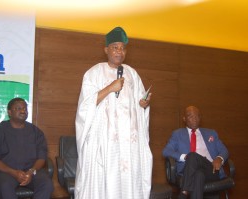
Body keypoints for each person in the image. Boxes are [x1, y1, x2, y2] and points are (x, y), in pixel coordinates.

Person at [75, 26, 153, 199]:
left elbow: (139, 105)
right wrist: (110, 88)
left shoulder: (132, 74)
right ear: (106, 50)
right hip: (104, 143)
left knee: (127, 185)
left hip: (128, 144)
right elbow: (84, 107)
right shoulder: (93, 73)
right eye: (115, 47)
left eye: (123, 48)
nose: (120, 51)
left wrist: (143, 104)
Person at [0, 97, 54, 199]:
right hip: (6, 172)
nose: (23, 111)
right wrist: (13, 172)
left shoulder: (36, 132)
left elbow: (42, 158)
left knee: (46, 184)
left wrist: (31, 172)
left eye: (25, 109)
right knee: (4, 186)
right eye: (18, 108)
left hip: (30, 171)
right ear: (9, 112)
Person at [163, 105, 229, 199]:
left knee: (193, 156)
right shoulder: (177, 134)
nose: (194, 119)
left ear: (200, 118)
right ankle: (185, 192)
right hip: (189, 171)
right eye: (190, 116)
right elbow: (166, 151)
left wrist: (220, 158)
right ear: (184, 119)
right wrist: (184, 157)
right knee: (198, 174)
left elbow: (224, 150)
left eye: (197, 116)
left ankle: (184, 192)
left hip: (211, 169)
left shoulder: (211, 133)